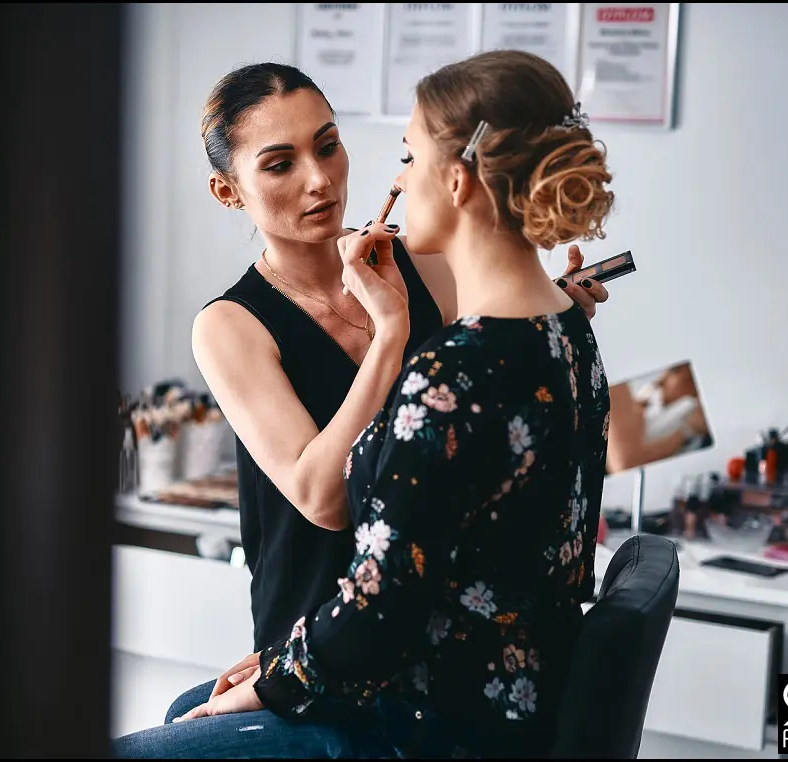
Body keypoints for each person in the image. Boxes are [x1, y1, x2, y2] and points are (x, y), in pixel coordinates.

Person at [113, 47, 615, 758]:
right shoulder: (230, 325)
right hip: (334, 631)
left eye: (329, 145)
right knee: (185, 710)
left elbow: (500, 384)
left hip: (401, 668)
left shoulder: (432, 271)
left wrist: (551, 318)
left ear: (457, 179)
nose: (322, 181)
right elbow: (324, 495)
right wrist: (393, 338)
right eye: (280, 163)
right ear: (230, 192)